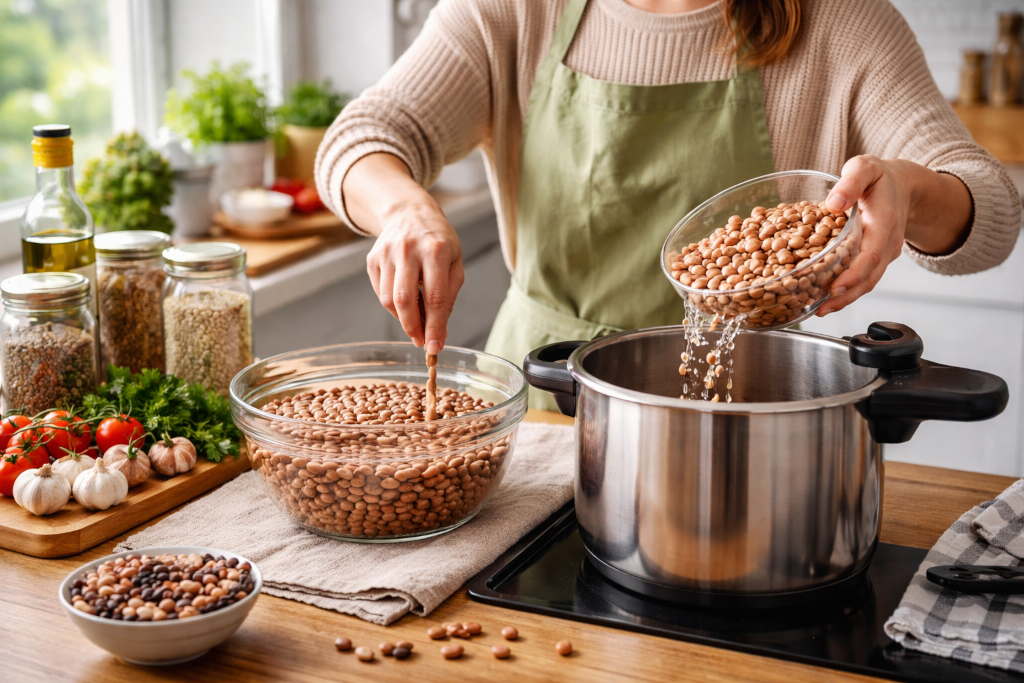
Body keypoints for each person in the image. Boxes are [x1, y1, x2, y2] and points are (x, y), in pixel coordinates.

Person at [316, 0, 1022, 409]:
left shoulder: (842, 22)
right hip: (536, 405)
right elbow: (363, 137)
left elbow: (991, 209)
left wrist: (912, 190)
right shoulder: (513, 7)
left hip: (744, 417)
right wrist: (404, 207)